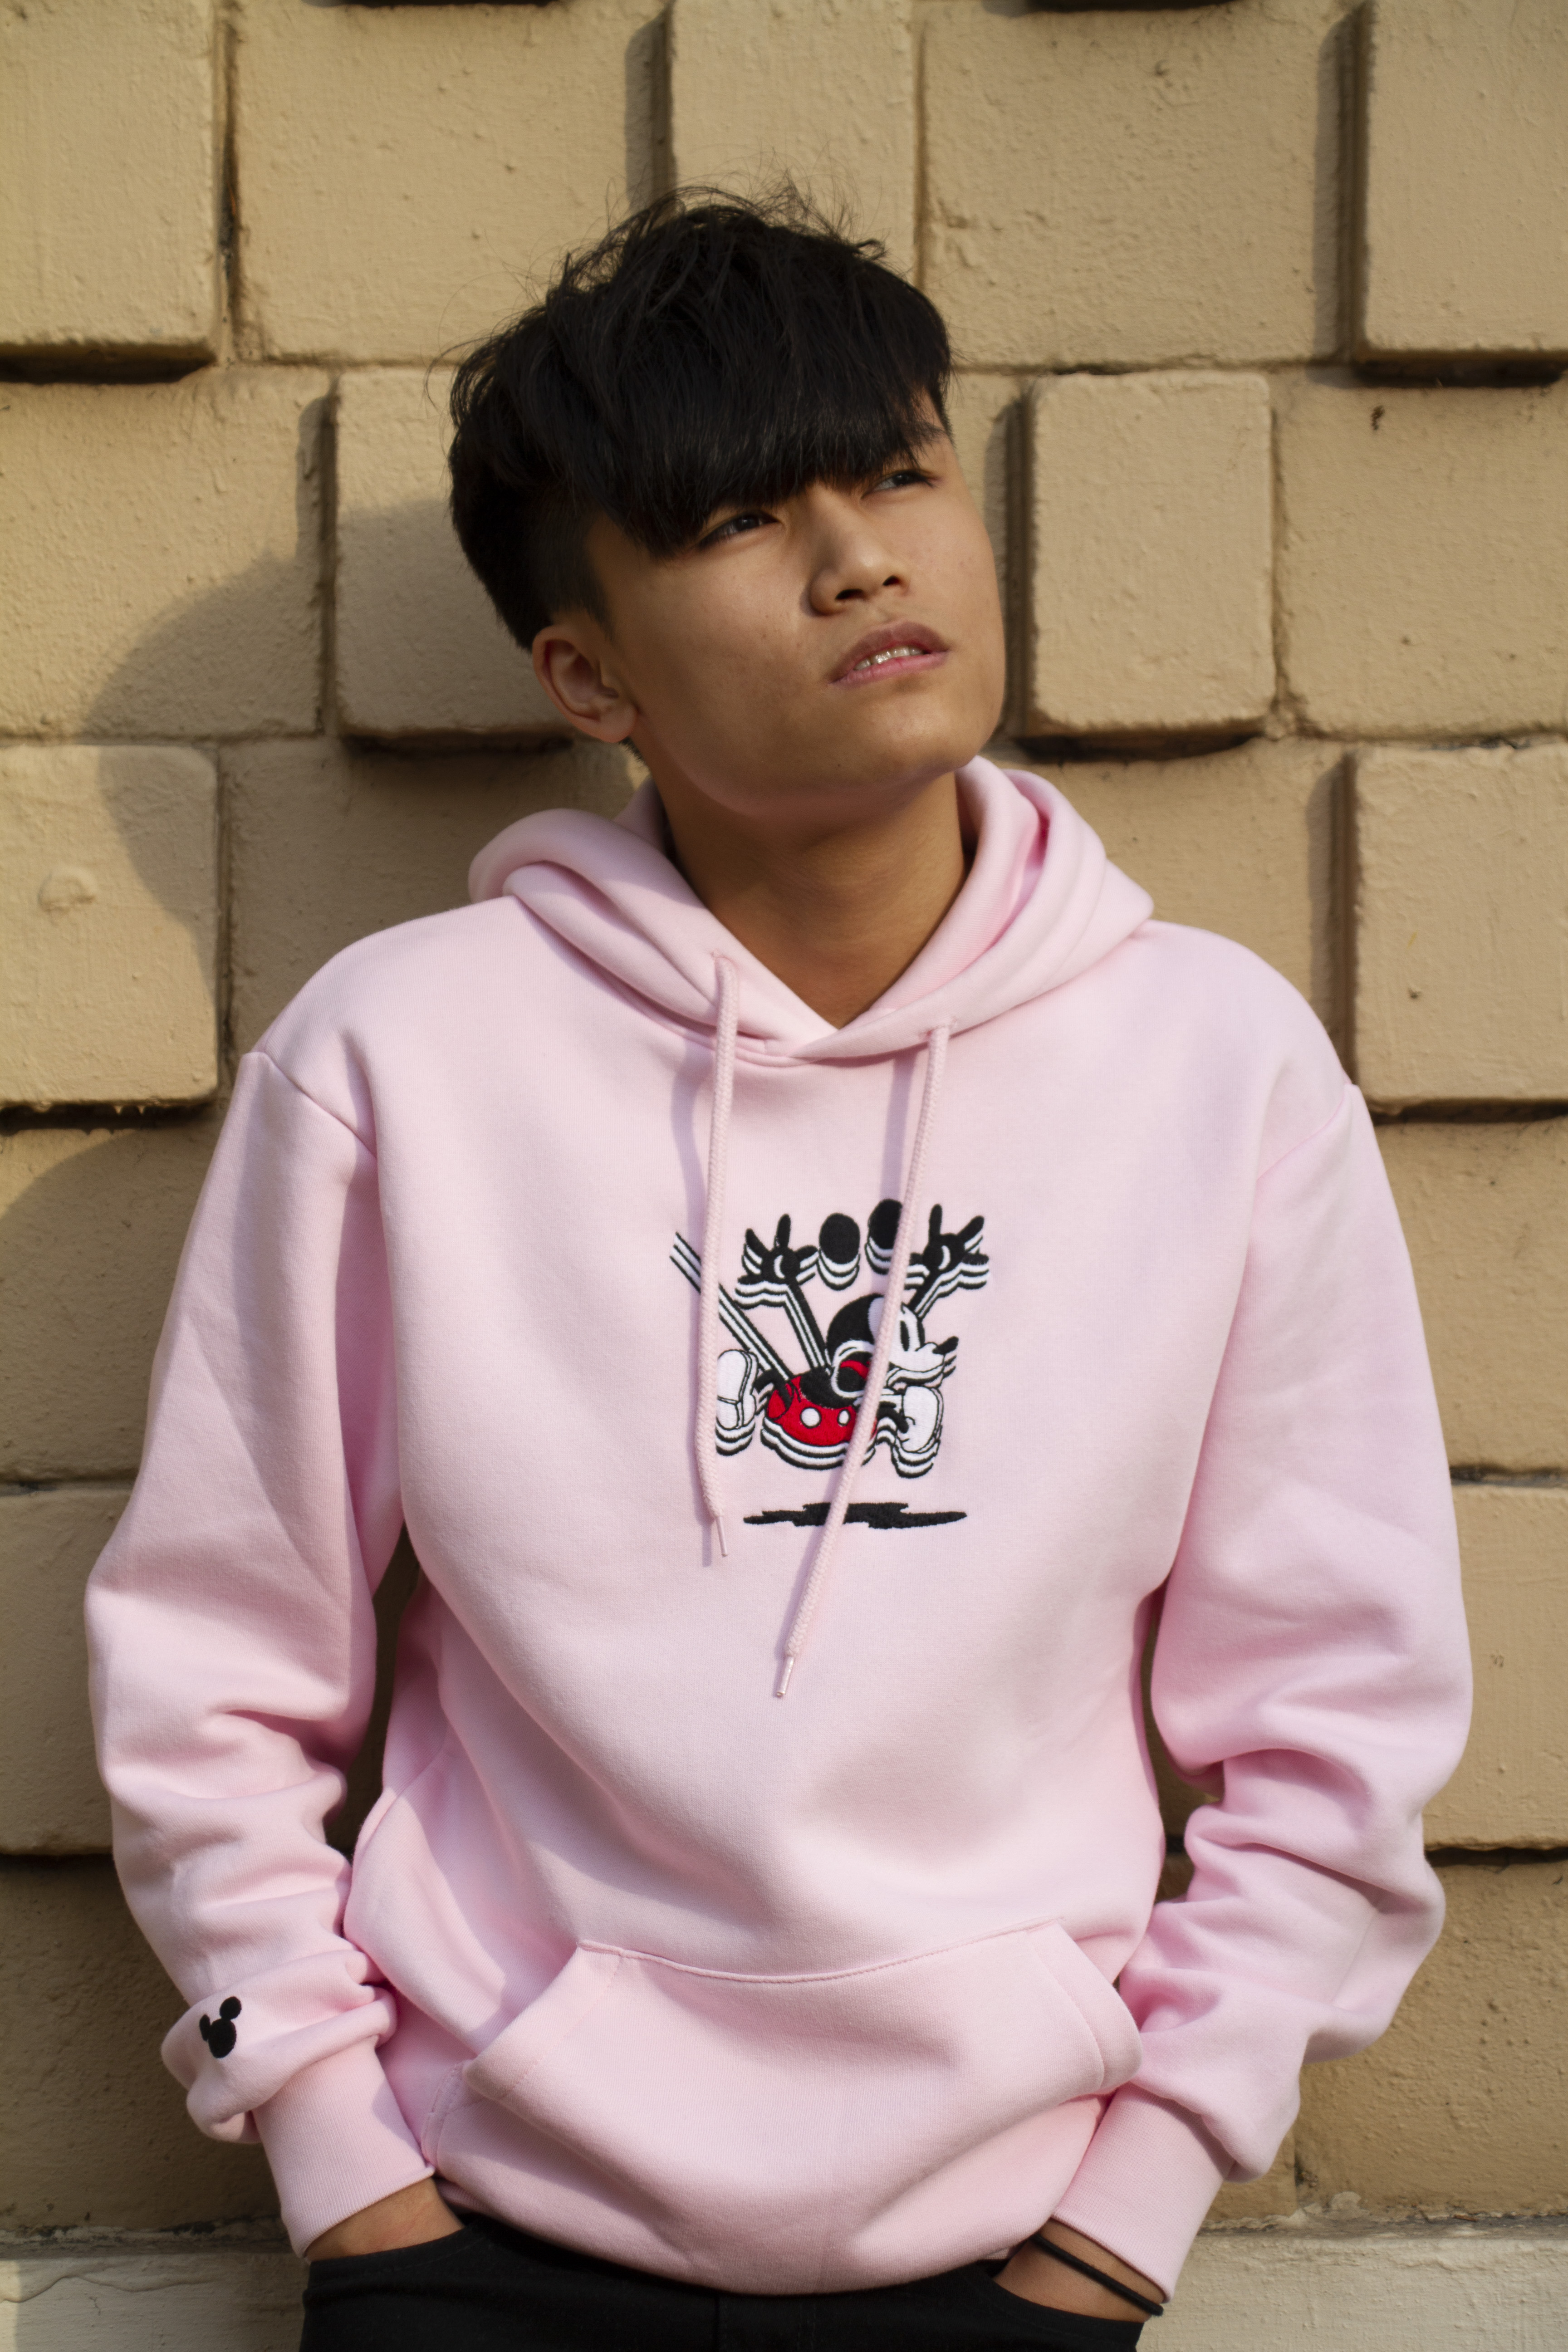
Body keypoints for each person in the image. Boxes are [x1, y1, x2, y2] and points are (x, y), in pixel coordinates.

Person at [87, 191, 1470, 2351]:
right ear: (588, 674)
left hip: (1026, 2243)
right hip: (478, 2229)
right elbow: (214, 1666)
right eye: (742, 518)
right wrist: (340, 2166)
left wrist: (1130, 2217)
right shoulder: (401, 1061)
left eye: (900, 474)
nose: (859, 561)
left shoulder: (1217, 1065)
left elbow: (1335, 1713)